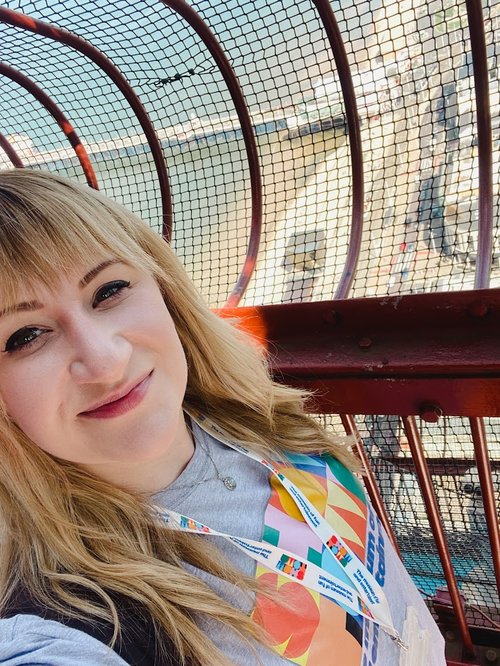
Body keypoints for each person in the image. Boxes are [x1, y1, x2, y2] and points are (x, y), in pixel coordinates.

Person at [0, 169, 445, 665]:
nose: (105, 361)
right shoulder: (64, 618)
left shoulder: (260, 417)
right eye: (25, 336)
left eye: (108, 291)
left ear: (163, 289)